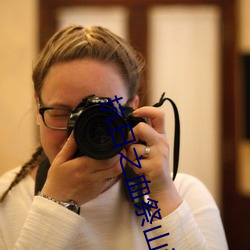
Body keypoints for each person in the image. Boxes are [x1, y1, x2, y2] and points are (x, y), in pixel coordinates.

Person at [0, 25, 228, 250]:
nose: (79, 132)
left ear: (133, 110)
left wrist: (162, 193)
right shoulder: (5, 200)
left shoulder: (184, 194)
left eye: (100, 114)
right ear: (38, 107)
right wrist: (54, 207)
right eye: (61, 113)